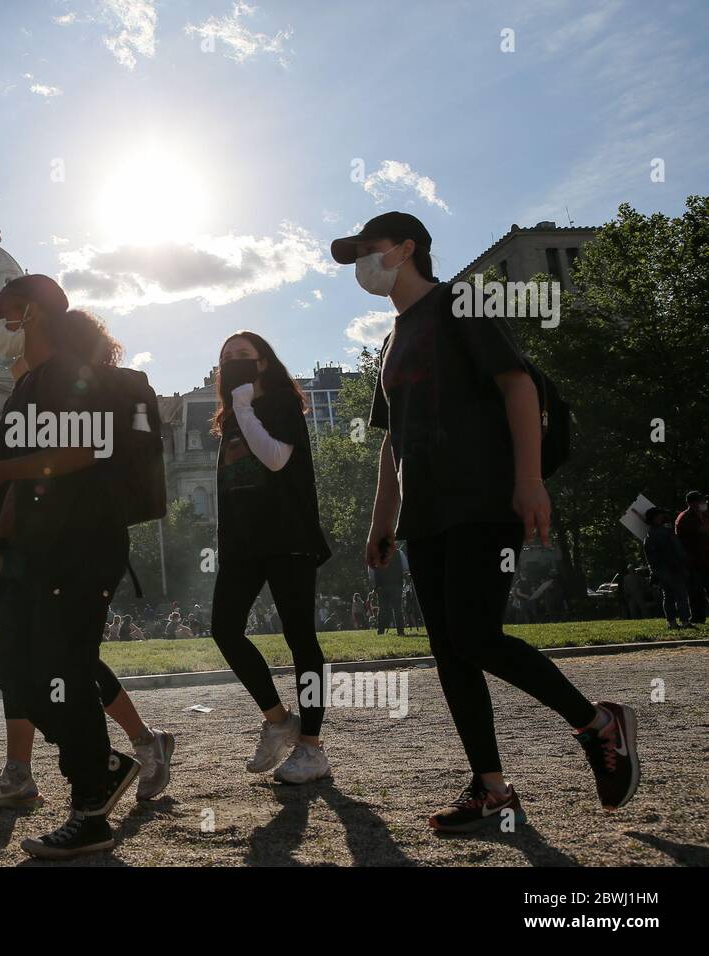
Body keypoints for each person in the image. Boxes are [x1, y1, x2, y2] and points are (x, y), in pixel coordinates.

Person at [336, 211, 639, 831]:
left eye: (369, 249)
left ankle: (598, 724)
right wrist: (381, 521)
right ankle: (492, 788)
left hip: (481, 501)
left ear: (406, 249)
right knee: (451, 653)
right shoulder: (392, 341)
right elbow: (391, 442)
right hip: (426, 517)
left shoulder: (459, 303)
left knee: (475, 636)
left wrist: (529, 481)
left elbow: (517, 385)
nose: (362, 263)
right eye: (355, 254)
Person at [0, 275, 172, 859]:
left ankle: (90, 809)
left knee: (64, 671)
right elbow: (21, 479)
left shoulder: (73, 376)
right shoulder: (26, 386)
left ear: (31, 313)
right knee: (12, 667)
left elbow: (81, 451)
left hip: (81, 544)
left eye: (1, 317)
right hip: (31, 549)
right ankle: (101, 764)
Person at [209, 330, 334, 784]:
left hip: (288, 536)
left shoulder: (280, 403)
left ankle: (312, 747)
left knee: (301, 639)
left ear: (263, 362)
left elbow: (276, 459)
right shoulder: (229, 415)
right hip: (244, 542)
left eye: (243, 356)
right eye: (227, 359)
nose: (234, 363)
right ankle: (279, 719)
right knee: (224, 629)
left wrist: (244, 406)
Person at [644, 507, 692, 629]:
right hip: (672, 568)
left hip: (662, 570)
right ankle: (685, 621)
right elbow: (678, 550)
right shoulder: (666, 533)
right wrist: (683, 563)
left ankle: (671, 622)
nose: (661, 517)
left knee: (668, 596)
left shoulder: (649, 537)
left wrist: (654, 572)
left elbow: (650, 559)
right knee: (680, 595)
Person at [674, 491, 708, 624]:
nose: (703, 504)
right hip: (693, 560)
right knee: (696, 591)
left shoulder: (701, 515)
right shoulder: (686, 517)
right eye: (700, 501)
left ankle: (699, 616)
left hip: (704, 558)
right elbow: (702, 531)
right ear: (692, 503)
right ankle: (698, 617)